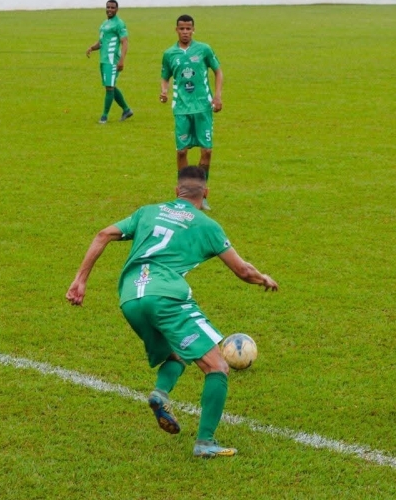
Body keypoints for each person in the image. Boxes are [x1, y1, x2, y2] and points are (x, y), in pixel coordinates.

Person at [66, 166, 278, 458]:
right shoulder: (207, 225)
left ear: (177, 191)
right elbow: (242, 270)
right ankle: (205, 443)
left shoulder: (148, 212)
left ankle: (160, 394)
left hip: (130, 298)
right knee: (217, 367)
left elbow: (103, 234)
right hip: (166, 296)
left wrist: (80, 281)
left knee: (177, 353)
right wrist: (263, 277)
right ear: (205, 193)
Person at [160, 15, 223, 210]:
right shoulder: (169, 53)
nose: (185, 32)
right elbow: (165, 77)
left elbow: (218, 71)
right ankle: (185, 195)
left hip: (203, 107)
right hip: (181, 109)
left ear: (193, 29)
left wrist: (218, 96)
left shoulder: (204, 49)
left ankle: (201, 194)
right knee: (181, 152)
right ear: (176, 30)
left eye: (188, 28)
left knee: (207, 151)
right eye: (182, 29)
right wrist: (163, 91)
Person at [86, 0, 133, 124]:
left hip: (112, 60)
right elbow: (102, 42)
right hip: (104, 60)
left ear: (117, 9)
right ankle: (126, 110)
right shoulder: (104, 24)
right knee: (110, 86)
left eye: (112, 7)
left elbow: (125, 42)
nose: (110, 9)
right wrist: (92, 47)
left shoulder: (119, 24)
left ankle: (104, 116)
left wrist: (122, 60)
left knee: (109, 87)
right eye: (108, 7)